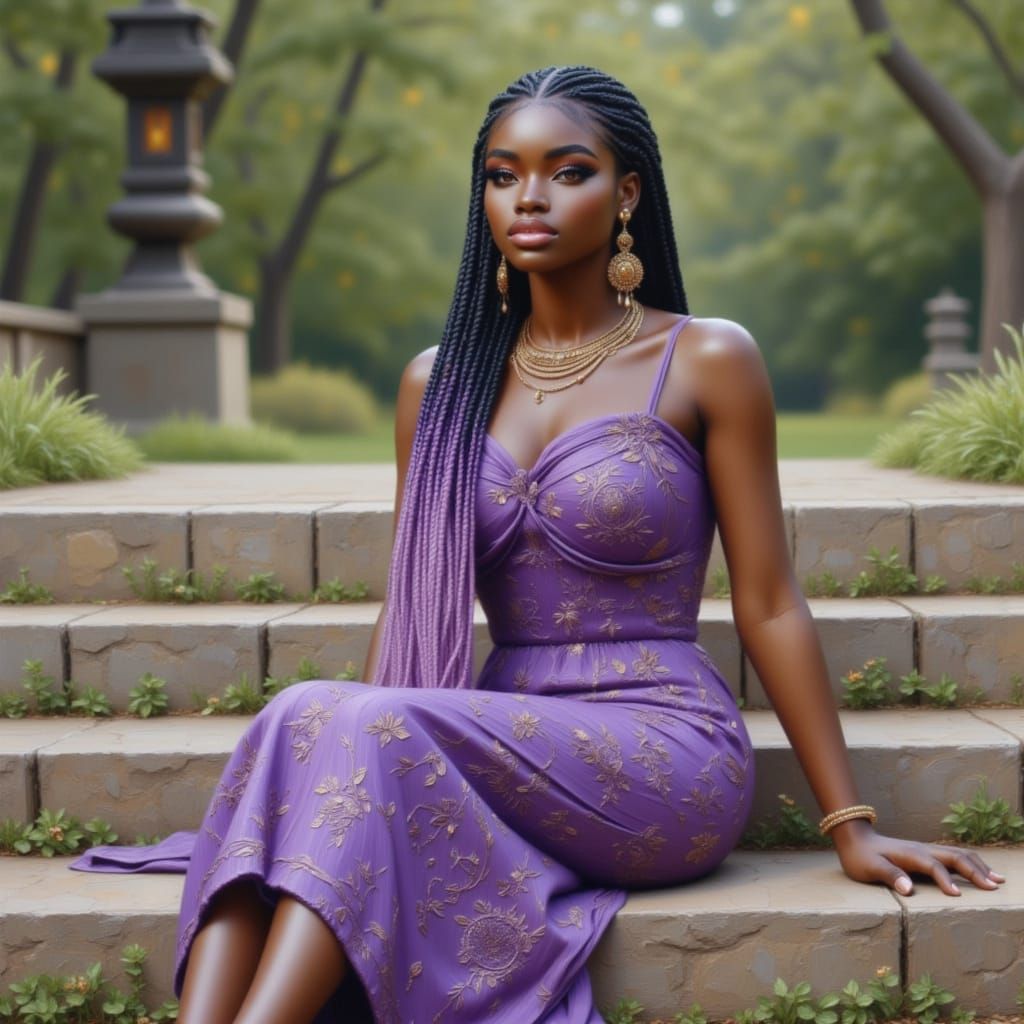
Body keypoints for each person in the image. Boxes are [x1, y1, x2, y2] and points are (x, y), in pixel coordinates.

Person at [72, 65, 1005, 1024]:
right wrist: (331, 757)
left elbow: (767, 599)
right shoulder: (437, 382)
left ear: (626, 191)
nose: (529, 197)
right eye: (501, 174)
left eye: (567, 172)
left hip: (661, 750)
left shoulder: (707, 357)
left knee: (351, 725)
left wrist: (848, 825)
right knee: (301, 719)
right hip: (493, 739)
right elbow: (414, 597)